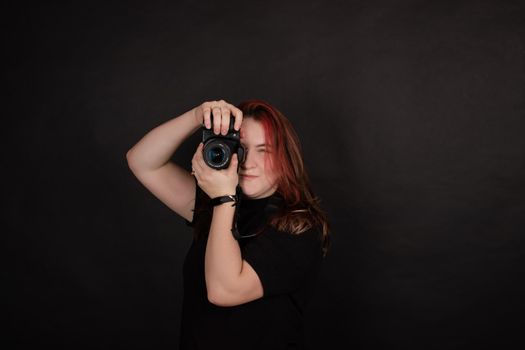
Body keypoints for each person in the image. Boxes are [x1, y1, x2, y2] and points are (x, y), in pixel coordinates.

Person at [126, 99, 330, 349]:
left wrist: (223, 197)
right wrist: (196, 115)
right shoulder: (215, 204)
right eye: (241, 149)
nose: (249, 162)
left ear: (285, 158)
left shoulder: (301, 227)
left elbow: (224, 290)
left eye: (265, 150)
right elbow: (143, 162)